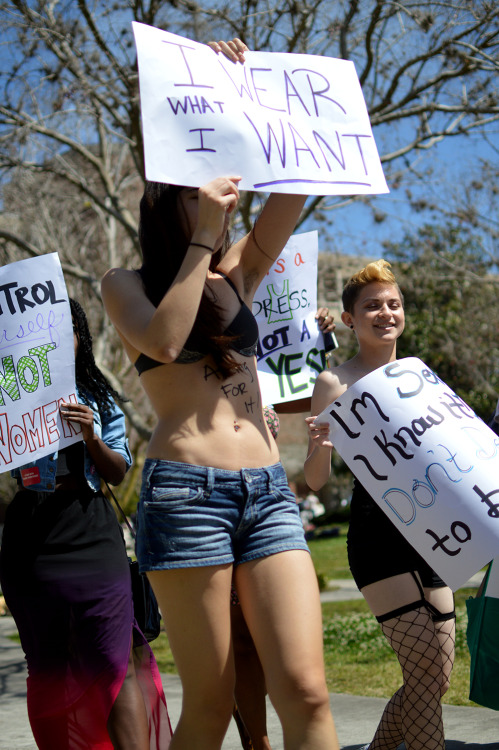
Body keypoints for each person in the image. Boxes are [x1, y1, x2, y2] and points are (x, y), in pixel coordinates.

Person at [101, 37, 338, 750]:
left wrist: (248, 95)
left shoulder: (235, 273)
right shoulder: (127, 284)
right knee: (211, 702)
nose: (226, 200)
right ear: (166, 197)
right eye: (206, 189)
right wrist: (204, 239)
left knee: (305, 691)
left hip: (266, 492)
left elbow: (291, 190)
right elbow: (166, 343)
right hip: (185, 497)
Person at [0, 298, 171, 750]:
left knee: (114, 662)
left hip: (91, 532)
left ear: (81, 339)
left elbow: (116, 472)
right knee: (48, 664)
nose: (58, 343)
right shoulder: (10, 392)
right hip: (31, 536)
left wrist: (91, 436)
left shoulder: (95, 395)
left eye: (67, 332)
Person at [304, 260, 455, 750]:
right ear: (350, 319)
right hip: (378, 534)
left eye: (393, 304)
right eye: (372, 306)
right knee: (424, 668)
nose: (385, 313)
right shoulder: (334, 383)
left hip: (432, 530)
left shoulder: (420, 375)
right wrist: (320, 446)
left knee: (434, 680)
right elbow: (312, 481)